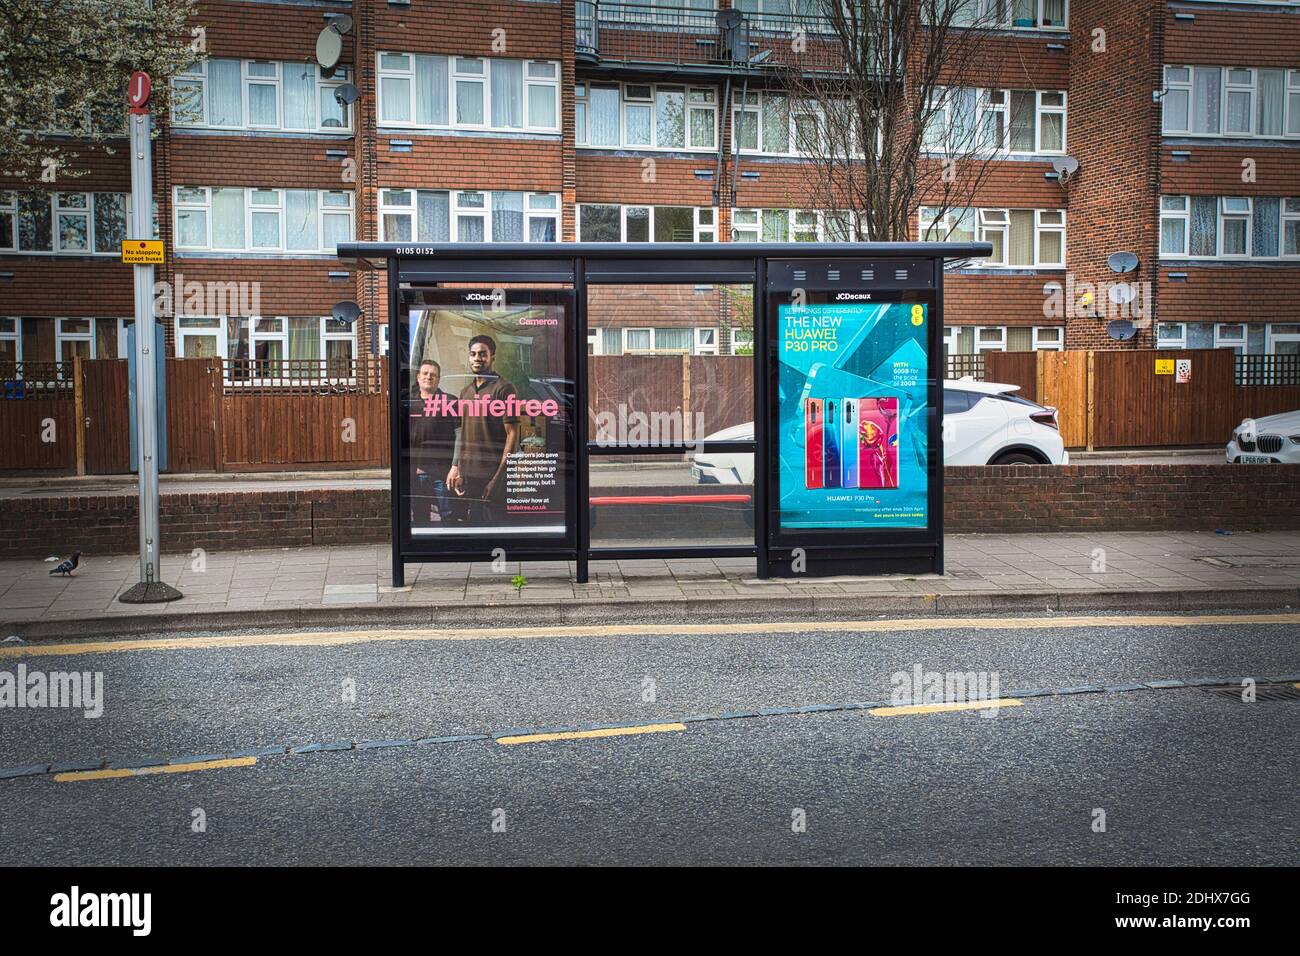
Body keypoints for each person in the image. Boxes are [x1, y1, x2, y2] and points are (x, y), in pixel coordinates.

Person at [447, 335, 518, 526]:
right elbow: (462, 433)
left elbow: (512, 434)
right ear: (469, 357)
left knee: (496, 526)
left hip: (493, 474)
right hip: (470, 476)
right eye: (473, 354)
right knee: (475, 525)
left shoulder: (504, 388)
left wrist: (497, 478)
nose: (477, 358)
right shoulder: (465, 391)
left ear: (492, 357)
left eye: (483, 354)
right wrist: (458, 469)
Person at [408, 359, 458, 528]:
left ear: (438, 379)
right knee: (420, 519)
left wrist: (455, 466)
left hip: (442, 474)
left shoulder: (450, 401)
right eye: (425, 373)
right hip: (416, 474)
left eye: (433, 375)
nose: (428, 377)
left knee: (448, 518)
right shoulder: (409, 403)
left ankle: (451, 552)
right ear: (418, 377)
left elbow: (460, 436)